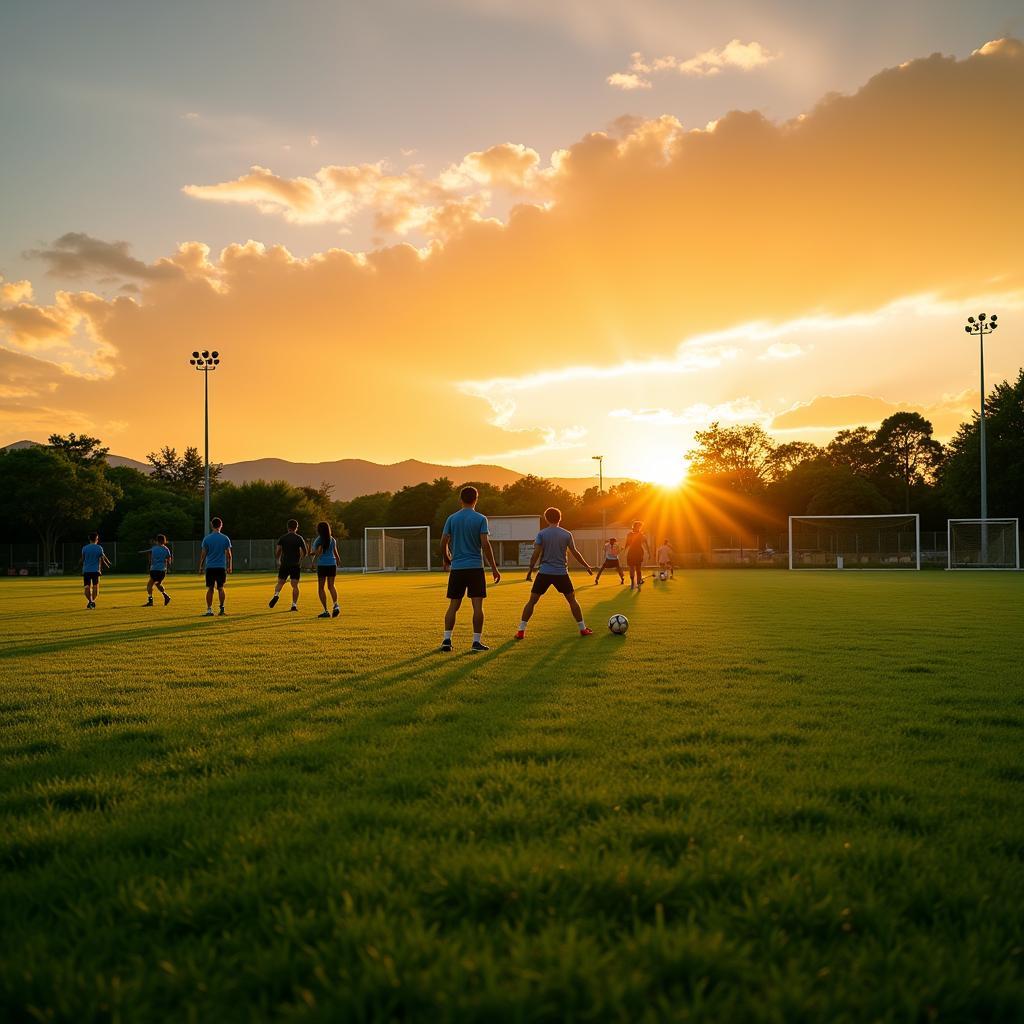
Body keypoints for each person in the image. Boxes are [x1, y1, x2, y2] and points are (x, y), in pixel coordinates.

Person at [516, 507, 594, 639]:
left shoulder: (542, 534)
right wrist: (586, 566)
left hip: (544, 573)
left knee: (532, 602)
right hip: (561, 573)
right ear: (560, 518)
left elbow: (536, 553)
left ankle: (521, 631)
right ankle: (582, 629)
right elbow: (575, 552)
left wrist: (530, 571)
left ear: (546, 519)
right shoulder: (566, 534)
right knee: (572, 601)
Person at [439, 485, 501, 652]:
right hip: (475, 568)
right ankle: (476, 642)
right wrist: (494, 568)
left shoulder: (451, 519)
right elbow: (485, 545)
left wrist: (447, 559)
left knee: (453, 606)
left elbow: (443, 542)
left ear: (460, 499)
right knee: (477, 607)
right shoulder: (481, 519)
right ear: (476, 499)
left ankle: (446, 640)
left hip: (457, 568)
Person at [270, 519, 307, 611]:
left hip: (284, 564)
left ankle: (276, 595)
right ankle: (294, 605)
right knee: (295, 585)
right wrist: (300, 560)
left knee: (280, 582)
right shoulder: (299, 538)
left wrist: (278, 560)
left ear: (287, 527)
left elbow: (278, 551)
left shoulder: (283, 538)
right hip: (295, 564)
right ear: (296, 527)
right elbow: (305, 551)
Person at [198, 517, 232, 616]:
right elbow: (229, 555)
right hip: (221, 567)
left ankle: (209, 610)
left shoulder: (207, 538)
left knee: (210, 589)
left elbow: (203, 554)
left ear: (212, 525)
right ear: (221, 525)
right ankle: (221, 609)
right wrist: (230, 566)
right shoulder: (225, 538)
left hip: (210, 567)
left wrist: (200, 566)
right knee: (221, 588)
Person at [310, 521, 341, 618]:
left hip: (322, 565)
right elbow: (335, 553)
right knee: (331, 586)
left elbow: (316, 553)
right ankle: (336, 605)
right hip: (332, 564)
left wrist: (310, 554)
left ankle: (326, 611)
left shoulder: (318, 540)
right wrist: (338, 561)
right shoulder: (332, 539)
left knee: (321, 588)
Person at [78, 531, 111, 609]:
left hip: (86, 571)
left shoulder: (85, 548)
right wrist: (108, 564)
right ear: (96, 539)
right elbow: (103, 558)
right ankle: (93, 601)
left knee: (87, 587)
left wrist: (78, 565)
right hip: (95, 571)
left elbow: (82, 559)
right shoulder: (99, 548)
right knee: (96, 587)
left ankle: (90, 601)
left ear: (89, 539)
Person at [144, 534, 173, 606]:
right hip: (162, 570)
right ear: (164, 540)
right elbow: (169, 559)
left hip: (154, 569)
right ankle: (166, 596)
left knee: (149, 585)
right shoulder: (166, 549)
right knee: (158, 584)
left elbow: (150, 558)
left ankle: (150, 601)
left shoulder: (154, 548)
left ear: (157, 541)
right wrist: (168, 568)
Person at [624, 521, 648, 590]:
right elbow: (627, 543)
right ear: (634, 526)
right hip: (631, 553)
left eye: (640, 526)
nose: (639, 528)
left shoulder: (641, 534)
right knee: (631, 568)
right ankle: (632, 583)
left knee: (638, 569)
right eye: (638, 526)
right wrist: (624, 551)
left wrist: (648, 552)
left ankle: (638, 583)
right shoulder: (629, 534)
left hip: (639, 553)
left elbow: (645, 543)